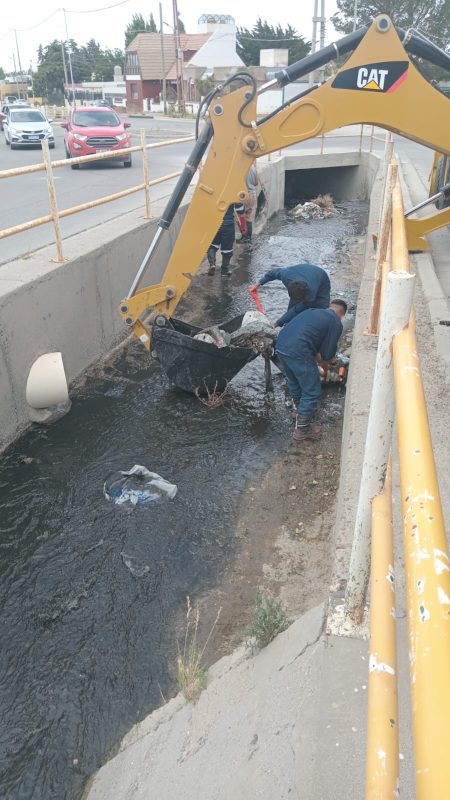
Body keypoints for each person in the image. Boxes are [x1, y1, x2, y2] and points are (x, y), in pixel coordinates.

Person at [276, 299, 347, 442]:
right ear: (342, 316)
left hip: (281, 345)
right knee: (312, 390)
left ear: (329, 307)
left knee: (295, 381)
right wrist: (325, 369)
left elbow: (310, 339)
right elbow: (326, 355)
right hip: (298, 350)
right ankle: (302, 430)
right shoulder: (335, 322)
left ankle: (299, 412)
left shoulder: (312, 312)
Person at [249, 263, 330, 327]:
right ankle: (288, 326)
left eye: (301, 300)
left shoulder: (311, 293)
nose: (299, 302)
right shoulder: (286, 275)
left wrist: (277, 323)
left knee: (320, 310)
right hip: (302, 272)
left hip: (321, 277)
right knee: (292, 311)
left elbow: (297, 309)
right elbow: (272, 273)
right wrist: (258, 284)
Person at [207, 202, 246, 277]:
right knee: (227, 249)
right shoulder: (231, 191)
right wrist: (243, 227)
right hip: (227, 224)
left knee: (212, 245)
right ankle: (224, 271)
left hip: (214, 222)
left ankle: (212, 264)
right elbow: (240, 210)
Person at [239, 164, 259, 243]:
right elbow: (256, 183)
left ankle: (244, 236)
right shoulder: (253, 167)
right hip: (252, 195)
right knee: (248, 217)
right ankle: (248, 238)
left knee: (240, 215)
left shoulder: (241, 167)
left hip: (243, 195)